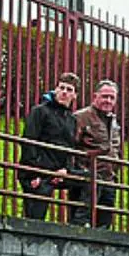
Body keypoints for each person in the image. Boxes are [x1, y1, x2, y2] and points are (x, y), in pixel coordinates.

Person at [18, 72, 84, 220]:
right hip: (37, 172)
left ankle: (79, 225)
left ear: (75, 96)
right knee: (35, 217)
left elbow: (70, 148)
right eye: (62, 88)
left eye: (69, 90)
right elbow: (28, 142)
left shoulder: (71, 120)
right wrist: (34, 173)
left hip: (58, 172)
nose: (64, 92)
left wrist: (65, 170)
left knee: (87, 180)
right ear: (56, 89)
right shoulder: (40, 111)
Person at [72, 80, 122, 228]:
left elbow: (116, 148)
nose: (108, 100)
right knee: (80, 222)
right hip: (87, 179)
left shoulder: (113, 121)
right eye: (105, 96)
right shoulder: (80, 117)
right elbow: (71, 145)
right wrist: (81, 170)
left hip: (109, 179)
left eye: (112, 98)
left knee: (104, 225)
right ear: (95, 96)